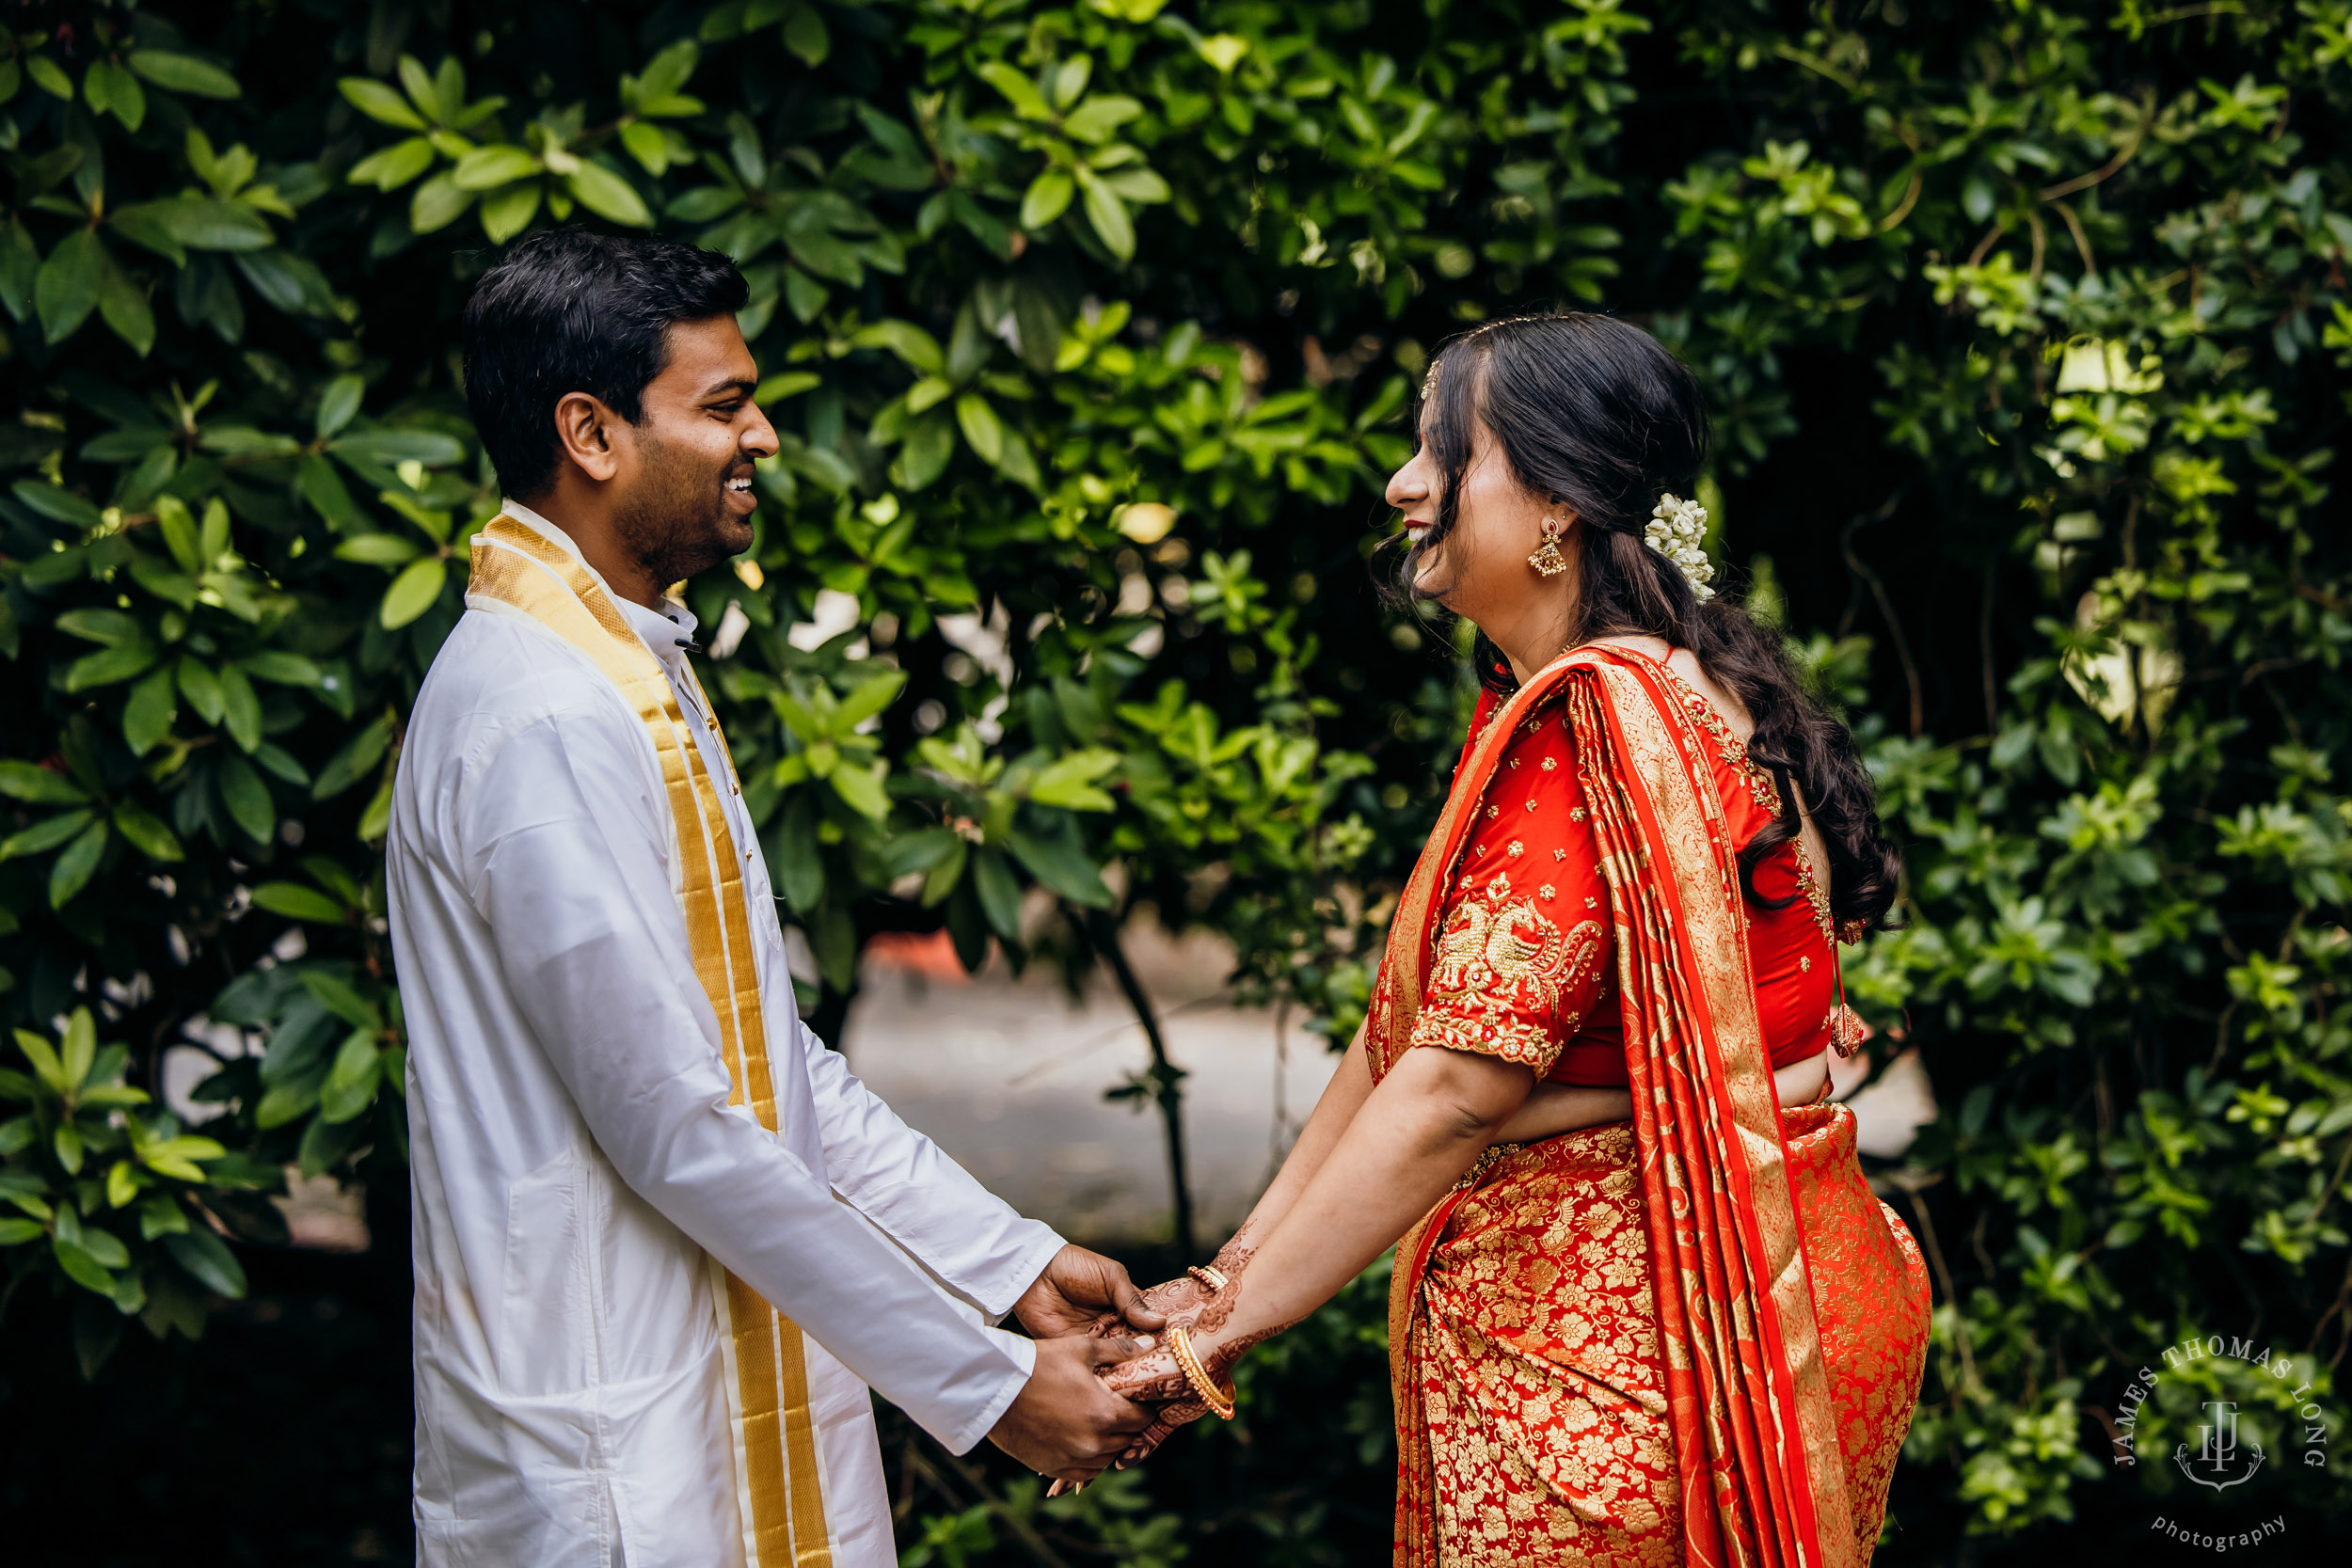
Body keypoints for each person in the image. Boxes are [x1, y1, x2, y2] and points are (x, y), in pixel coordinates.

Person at [1100, 313, 1932, 1566]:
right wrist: (1232, 1270)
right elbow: (1406, 1048)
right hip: (1788, 1310)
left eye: (1445, 448)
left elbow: (1449, 1093)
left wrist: (1213, 1343)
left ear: (1556, 505)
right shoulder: (1708, 693)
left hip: (1620, 1365)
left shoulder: (1592, 727)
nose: (1404, 482)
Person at [387, 229, 1162, 1568]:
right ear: (592, 433)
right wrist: (982, 1387)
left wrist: (1004, 1262)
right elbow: (678, 1125)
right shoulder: (540, 708)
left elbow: (757, 1066)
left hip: (687, 1413)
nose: (766, 439)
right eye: (725, 406)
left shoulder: (622, 664)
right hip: (610, 1462)